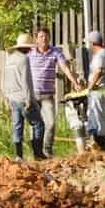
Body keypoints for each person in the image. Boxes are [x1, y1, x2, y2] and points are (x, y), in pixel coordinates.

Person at [27, 27, 81, 158]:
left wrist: (74, 82)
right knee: (34, 126)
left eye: (46, 36)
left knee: (50, 123)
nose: (44, 39)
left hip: (47, 95)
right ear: (36, 39)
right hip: (32, 95)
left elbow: (65, 67)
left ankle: (47, 150)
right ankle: (36, 153)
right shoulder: (30, 53)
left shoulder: (55, 52)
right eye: (41, 37)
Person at [2, 33, 37, 159]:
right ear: (26, 47)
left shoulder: (9, 59)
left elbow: (5, 79)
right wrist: (29, 100)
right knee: (37, 124)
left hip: (12, 97)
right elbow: (25, 81)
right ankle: (38, 154)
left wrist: (7, 96)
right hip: (23, 97)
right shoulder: (24, 59)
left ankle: (19, 156)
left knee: (17, 125)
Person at [82, 29, 105, 152]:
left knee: (97, 118)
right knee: (97, 118)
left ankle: (101, 146)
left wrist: (90, 86)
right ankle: (98, 145)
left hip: (98, 90)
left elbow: (99, 70)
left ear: (92, 43)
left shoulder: (100, 55)